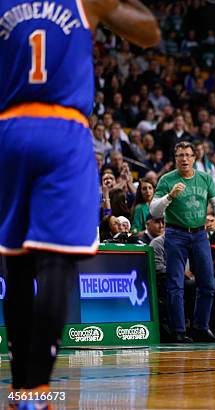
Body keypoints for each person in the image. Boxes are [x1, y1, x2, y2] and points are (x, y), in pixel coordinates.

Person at [0, 0, 159, 406]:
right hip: (63, 129)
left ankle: (21, 389)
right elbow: (149, 32)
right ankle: (36, 390)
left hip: (9, 129)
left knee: (16, 262)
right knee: (54, 259)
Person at [150, 141, 215, 343]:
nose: (184, 159)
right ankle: (178, 331)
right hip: (175, 234)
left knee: (208, 284)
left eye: (188, 155)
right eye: (180, 155)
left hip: (200, 234)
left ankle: (201, 327)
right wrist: (169, 196)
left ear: (194, 158)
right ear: (175, 159)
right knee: (175, 284)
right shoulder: (167, 180)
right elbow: (154, 210)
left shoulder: (204, 178)